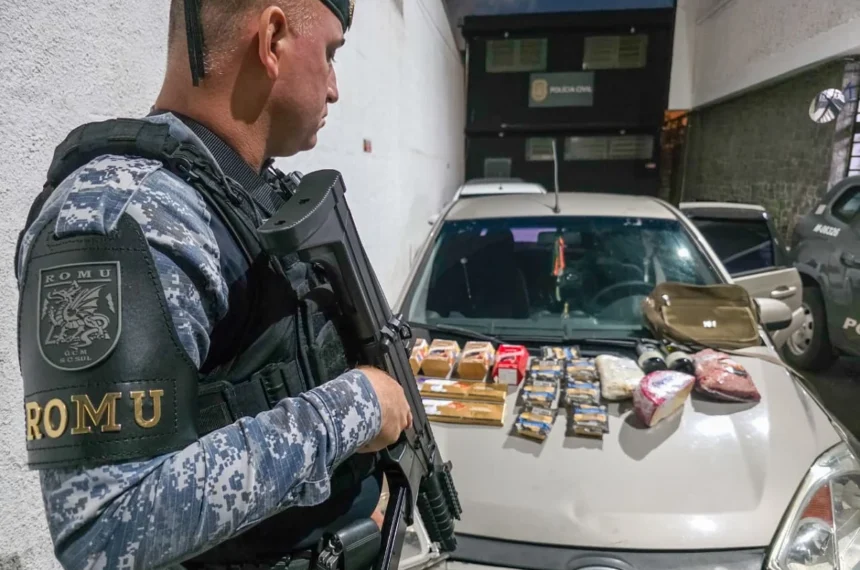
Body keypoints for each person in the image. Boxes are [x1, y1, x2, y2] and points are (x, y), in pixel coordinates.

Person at [14, 1, 412, 569]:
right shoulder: (123, 215)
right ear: (272, 38)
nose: (334, 88)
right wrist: (357, 408)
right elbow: (106, 531)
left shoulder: (249, 193)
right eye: (329, 53)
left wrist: (355, 505)